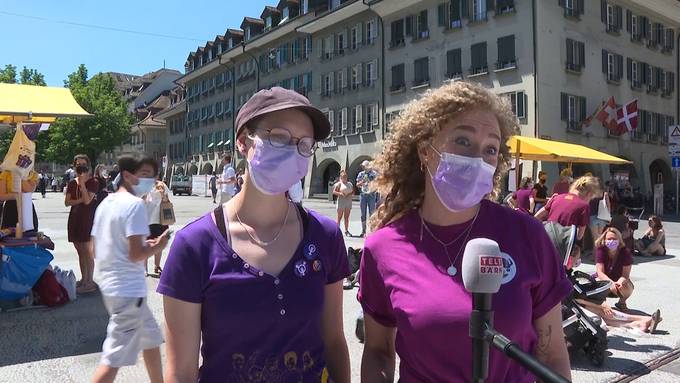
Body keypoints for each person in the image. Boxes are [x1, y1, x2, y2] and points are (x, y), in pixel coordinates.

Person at [358, 81, 572, 382]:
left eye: (491, 149)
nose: (477, 158)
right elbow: (378, 349)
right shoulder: (384, 248)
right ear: (425, 151)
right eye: (463, 141)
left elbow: (551, 355)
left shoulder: (528, 236)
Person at [158, 87, 351, 382]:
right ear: (243, 143)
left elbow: (334, 342)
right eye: (279, 137)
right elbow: (181, 372)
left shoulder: (325, 236)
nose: (292, 151)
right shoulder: (194, 246)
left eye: (304, 144)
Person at [91, 156, 169, 383]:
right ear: (127, 175)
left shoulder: (106, 203)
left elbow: (95, 248)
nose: (149, 180)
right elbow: (136, 254)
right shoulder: (135, 205)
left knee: (152, 339)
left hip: (111, 286)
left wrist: (146, 247)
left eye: (151, 176)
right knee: (112, 359)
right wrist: (159, 246)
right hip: (127, 292)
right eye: (143, 174)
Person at [544, 223, 661, 333]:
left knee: (604, 313)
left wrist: (601, 303)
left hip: (579, 303)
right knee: (603, 313)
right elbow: (576, 297)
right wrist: (602, 304)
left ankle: (640, 322)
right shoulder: (560, 275)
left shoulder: (561, 273)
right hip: (577, 304)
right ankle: (642, 321)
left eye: (614, 239)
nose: (577, 264)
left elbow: (577, 296)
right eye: (575, 262)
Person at [65, 154, 100, 294]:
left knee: (87, 251)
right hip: (75, 217)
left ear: (88, 166)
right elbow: (67, 202)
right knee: (80, 250)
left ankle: (90, 281)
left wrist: (83, 183)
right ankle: (84, 278)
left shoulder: (93, 182)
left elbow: (87, 201)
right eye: (78, 165)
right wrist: (78, 185)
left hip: (87, 218)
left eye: (83, 164)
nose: (80, 167)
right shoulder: (72, 183)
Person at [535, 176, 600, 242]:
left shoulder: (556, 198)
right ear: (589, 194)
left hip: (544, 238)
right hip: (562, 245)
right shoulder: (584, 206)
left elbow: (537, 216)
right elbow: (579, 236)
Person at [594, 227, 634, 311]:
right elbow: (600, 272)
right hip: (604, 279)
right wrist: (611, 283)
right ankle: (603, 304)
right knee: (597, 281)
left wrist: (619, 283)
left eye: (614, 239)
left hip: (618, 280)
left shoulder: (625, 252)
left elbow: (625, 275)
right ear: (604, 240)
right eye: (609, 239)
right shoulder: (601, 250)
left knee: (629, 286)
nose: (611, 241)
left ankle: (622, 302)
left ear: (619, 240)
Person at [143, 168, 171, 277]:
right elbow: (140, 201)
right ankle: (144, 269)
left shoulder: (162, 185)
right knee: (146, 244)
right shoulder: (143, 187)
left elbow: (167, 201)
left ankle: (157, 266)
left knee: (159, 244)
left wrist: (163, 195)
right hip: (147, 219)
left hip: (160, 219)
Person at [356, 160, 378, 238]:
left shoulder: (374, 173)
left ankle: (372, 230)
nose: (363, 167)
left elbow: (378, 184)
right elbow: (357, 184)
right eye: (362, 166)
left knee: (372, 213)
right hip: (363, 195)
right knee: (363, 213)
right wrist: (362, 182)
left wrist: (372, 185)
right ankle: (363, 230)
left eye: (364, 166)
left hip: (371, 194)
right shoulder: (361, 174)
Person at [333, 170, 354, 236]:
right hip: (341, 201)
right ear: (341, 177)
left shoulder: (350, 184)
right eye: (343, 176)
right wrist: (340, 193)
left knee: (346, 217)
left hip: (348, 201)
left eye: (345, 176)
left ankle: (346, 230)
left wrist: (350, 194)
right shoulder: (338, 184)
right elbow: (334, 192)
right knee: (339, 217)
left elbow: (353, 192)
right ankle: (337, 230)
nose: (345, 177)